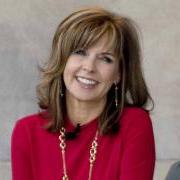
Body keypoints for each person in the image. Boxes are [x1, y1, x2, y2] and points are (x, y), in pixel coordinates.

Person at [11, 7, 156, 180]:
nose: (89, 67)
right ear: (62, 60)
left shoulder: (133, 124)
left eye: (105, 58)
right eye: (80, 52)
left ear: (119, 74)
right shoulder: (26, 132)